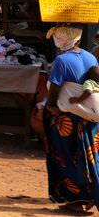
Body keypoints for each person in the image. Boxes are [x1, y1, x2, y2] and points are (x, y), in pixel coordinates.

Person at [44, 26, 99, 214]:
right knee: (90, 157)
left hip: (68, 118)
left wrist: (50, 107)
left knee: (66, 157)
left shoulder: (61, 61)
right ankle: (91, 194)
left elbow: (54, 90)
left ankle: (75, 200)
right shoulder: (90, 57)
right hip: (91, 119)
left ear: (59, 41)